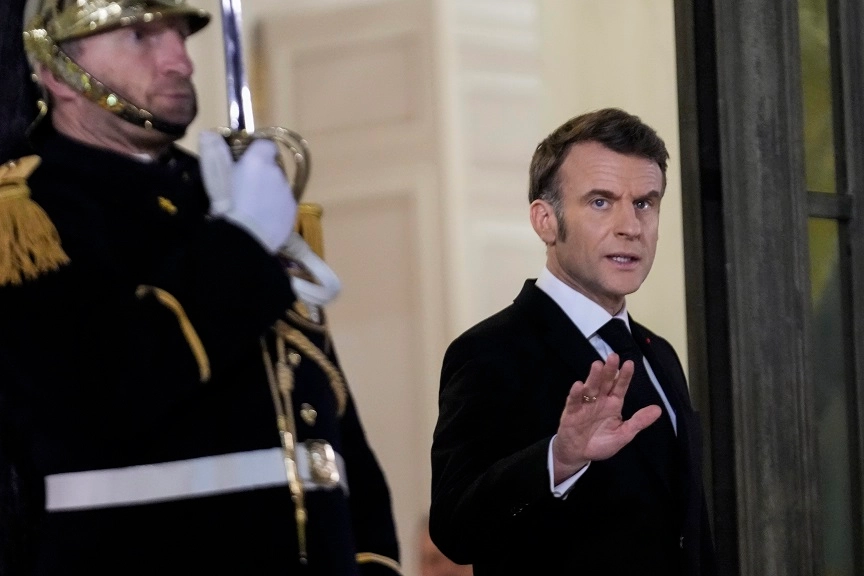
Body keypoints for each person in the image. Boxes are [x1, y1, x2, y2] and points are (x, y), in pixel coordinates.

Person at [0, 1, 401, 574]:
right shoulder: (27, 214)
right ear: (56, 70)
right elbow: (98, 395)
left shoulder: (218, 191)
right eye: (141, 37)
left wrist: (372, 558)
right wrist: (240, 243)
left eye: (180, 37)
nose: (179, 61)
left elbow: (323, 409)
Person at [430, 108, 715, 575]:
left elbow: (688, 532)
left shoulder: (657, 353)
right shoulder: (489, 352)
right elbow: (455, 528)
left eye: (644, 203)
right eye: (601, 202)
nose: (631, 225)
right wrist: (557, 459)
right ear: (545, 221)